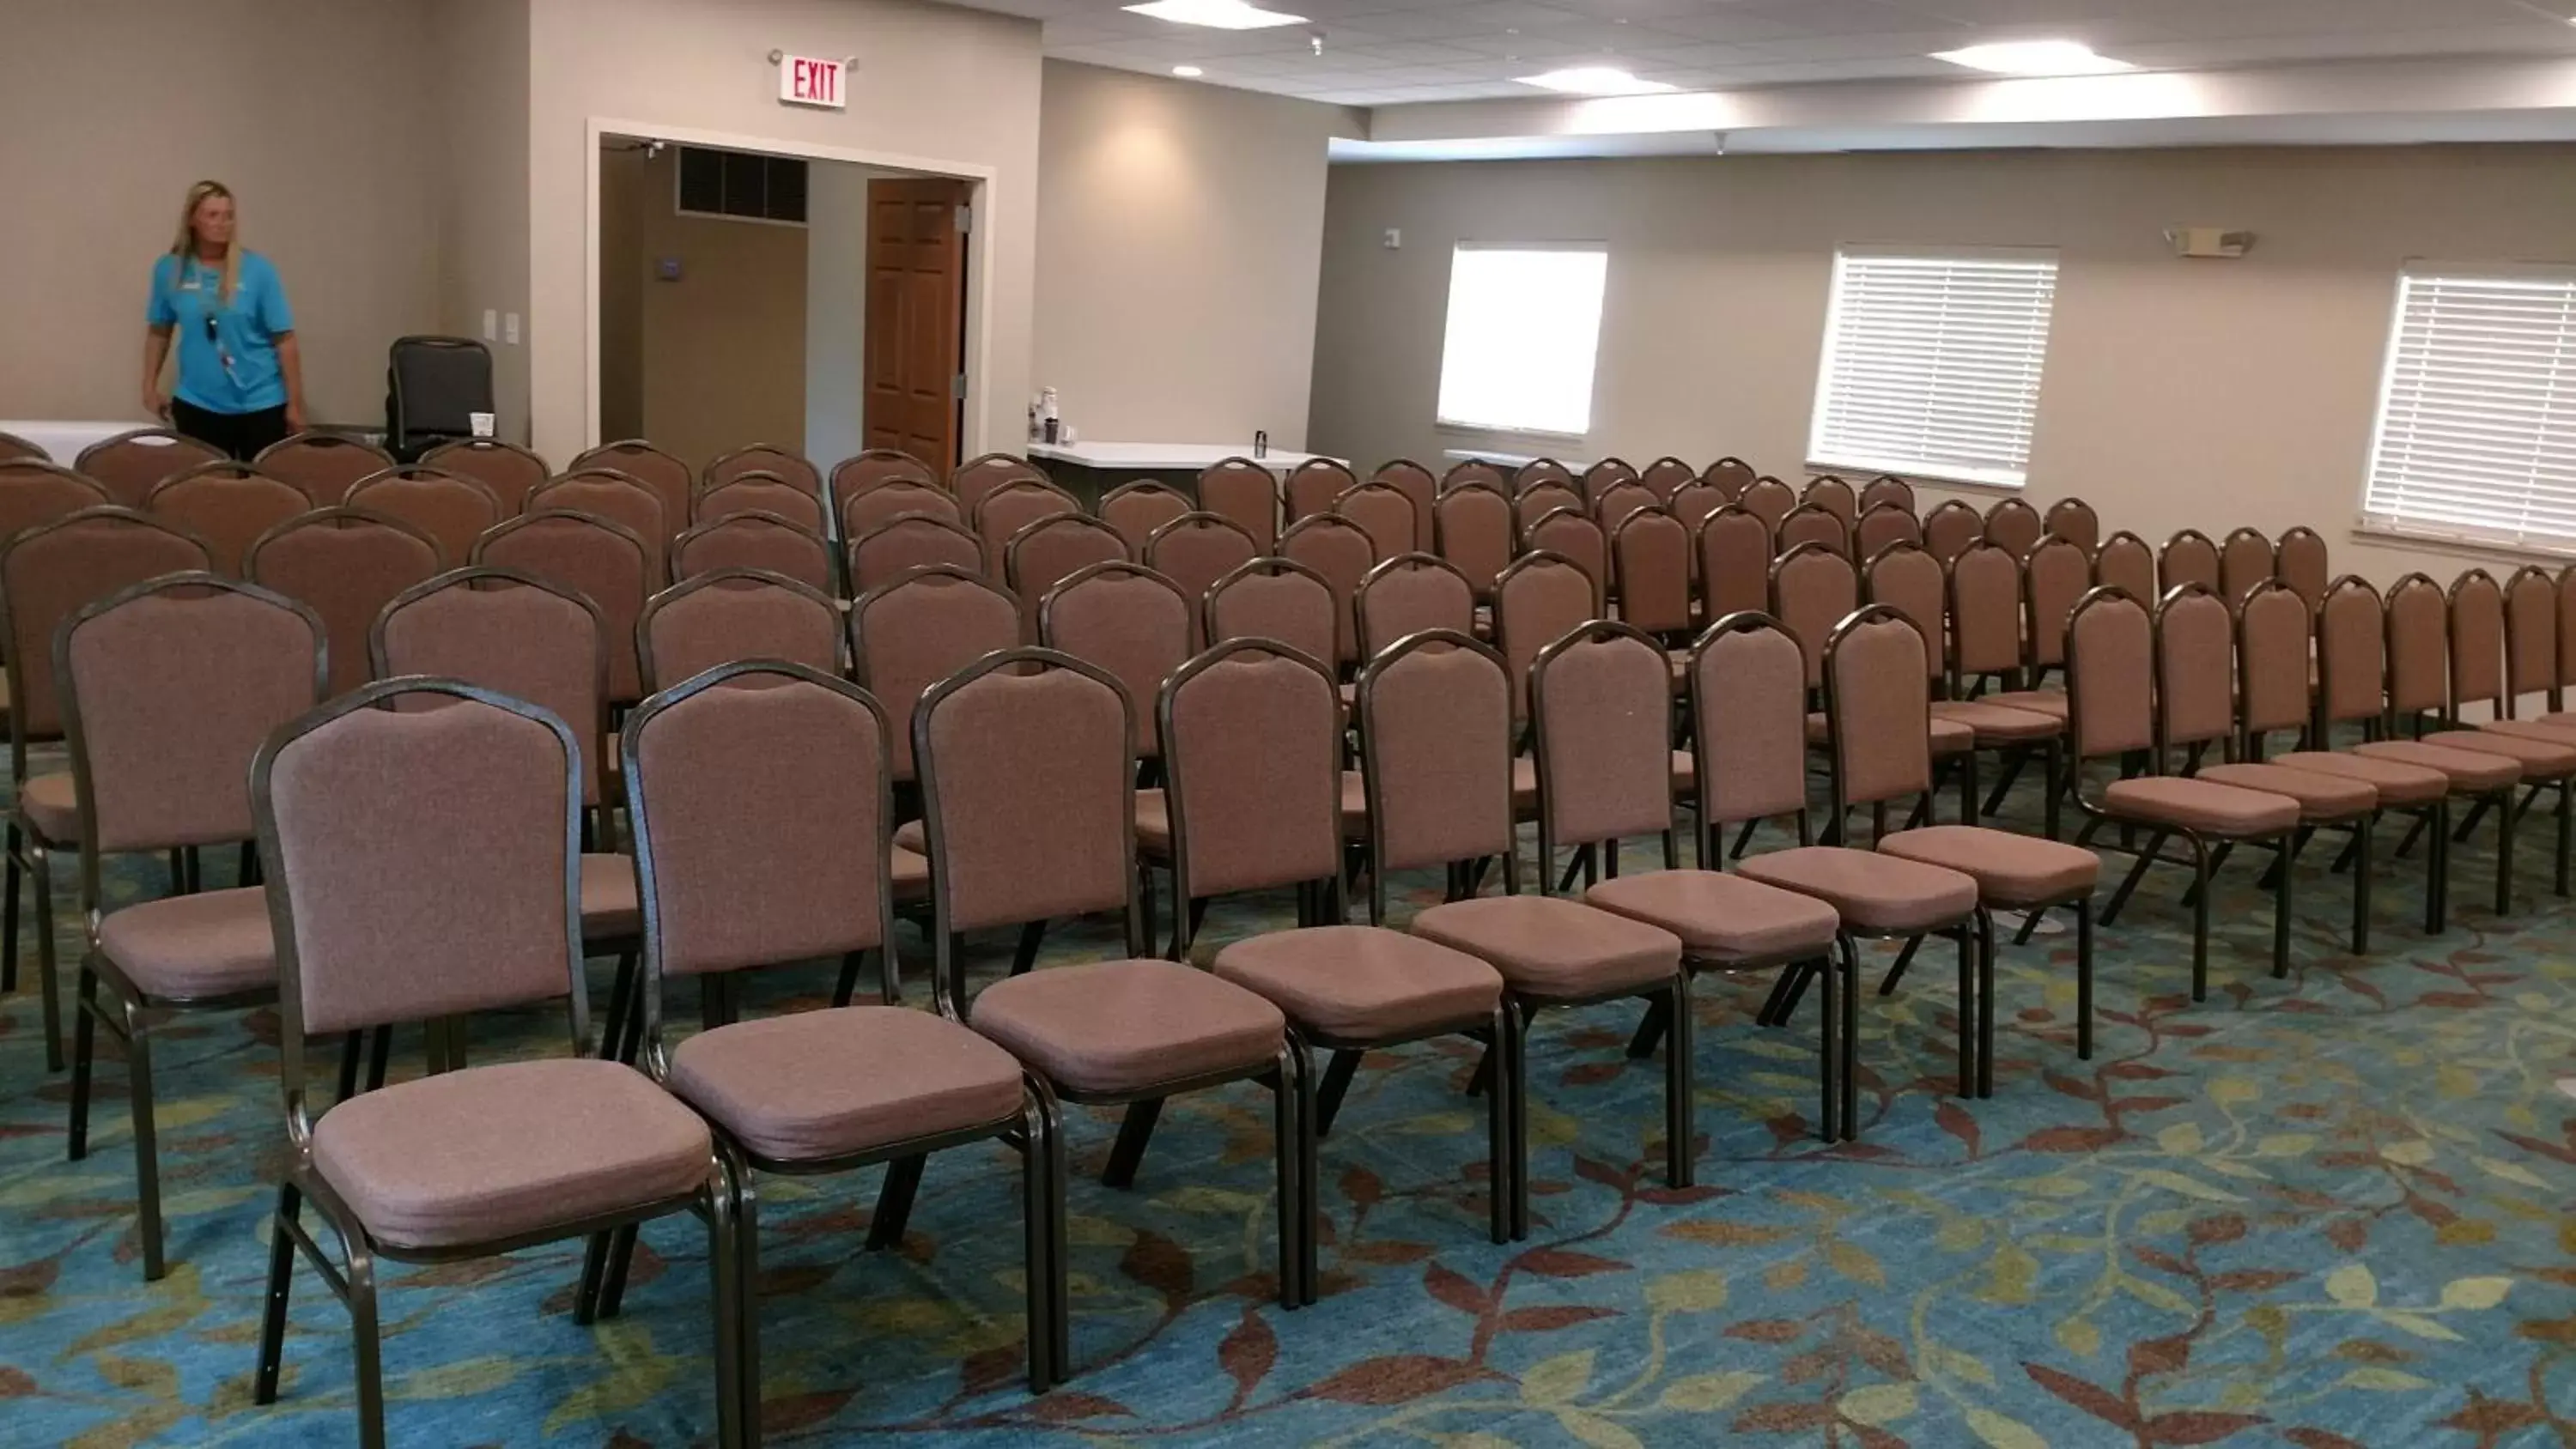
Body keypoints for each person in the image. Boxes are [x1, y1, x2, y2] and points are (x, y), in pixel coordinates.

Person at [141, 180, 306, 460]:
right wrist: (149, 386)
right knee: (205, 492)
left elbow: (285, 339)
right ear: (193, 220)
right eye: (213, 215)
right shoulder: (170, 269)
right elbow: (159, 330)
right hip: (198, 403)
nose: (223, 223)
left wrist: (296, 404)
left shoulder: (258, 270)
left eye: (229, 216)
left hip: (261, 403)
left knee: (262, 492)